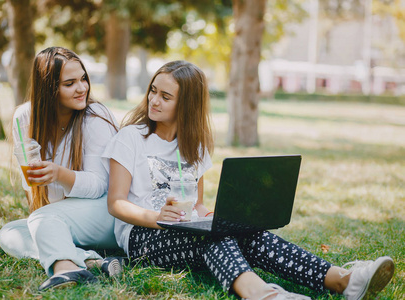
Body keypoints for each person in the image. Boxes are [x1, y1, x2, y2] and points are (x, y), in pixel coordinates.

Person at [102, 60, 395, 300]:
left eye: (165, 97)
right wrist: (157, 217)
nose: (154, 100)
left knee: (248, 234)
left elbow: (198, 205)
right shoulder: (132, 138)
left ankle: (344, 280)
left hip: (186, 228)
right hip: (141, 235)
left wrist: (212, 216)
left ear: (187, 105)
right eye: (153, 91)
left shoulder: (195, 146)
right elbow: (116, 203)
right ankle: (261, 294)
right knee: (216, 238)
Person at [0, 47, 124, 291]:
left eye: (83, 79)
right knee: (10, 232)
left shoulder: (96, 116)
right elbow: (30, 183)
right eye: (70, 83)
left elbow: (101, 185)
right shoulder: (24, 118)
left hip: (106, 212)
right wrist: (43, 215)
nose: (82, 88)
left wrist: (59, 174)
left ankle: (65, 270)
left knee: (42, 219)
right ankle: (92, 261)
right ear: (48, 88)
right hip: (60, 217)